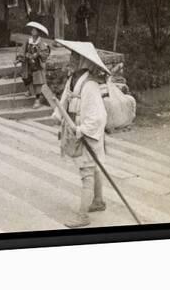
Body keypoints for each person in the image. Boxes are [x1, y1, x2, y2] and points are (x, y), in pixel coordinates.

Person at [52, 39, 110, 228]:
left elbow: (99, 116)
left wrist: (83, 130)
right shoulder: (73, 79)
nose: (71, 59)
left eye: (76, 57)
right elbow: (64, 100)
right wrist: (58, 114)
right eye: (72, 55)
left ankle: (83, 215)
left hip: (88, 133)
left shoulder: (91, 86)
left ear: (84, 61)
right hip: (75, 129)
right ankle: (98, 201)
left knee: (87, 171)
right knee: (93, 166)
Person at [16, 21, 50, 108]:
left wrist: (39, 54)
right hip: (28, 64)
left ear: (38, 32)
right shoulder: (28, 41)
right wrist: (19, 58)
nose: (32, 31)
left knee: (38, 82)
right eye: (32, 30)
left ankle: (37, 100)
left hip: (37, 65)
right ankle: (29, 90)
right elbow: (23, 50)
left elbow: (45, 53)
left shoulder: (41, 43)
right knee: (26, 77)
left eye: (34, 30)